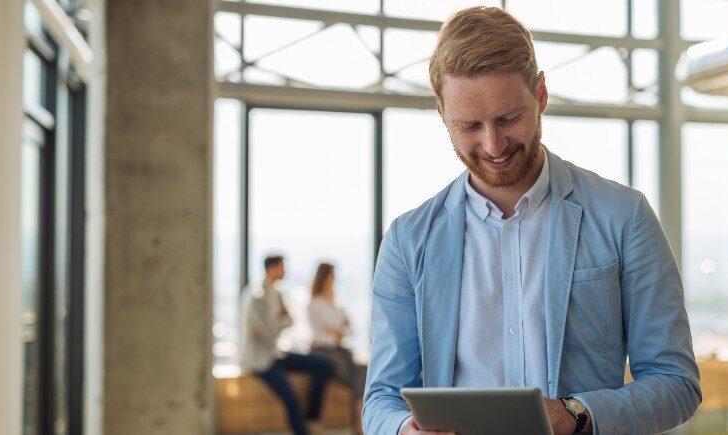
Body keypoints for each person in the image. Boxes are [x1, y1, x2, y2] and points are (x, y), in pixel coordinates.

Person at [362, 6, 701, 435]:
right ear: (442, 113)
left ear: (540, 95)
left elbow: (677, 383)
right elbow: (382, 399)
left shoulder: (623, 216)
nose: (493, 144)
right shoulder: (408, 241)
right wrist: (400, 430)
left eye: (509, 118)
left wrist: (579, 414)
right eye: (470, 125)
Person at [240, 255, 334, 435]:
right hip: (261, 361)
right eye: (283, 267)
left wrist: (276, 324)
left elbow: (287, 321)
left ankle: (312, 419)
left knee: (324, 365)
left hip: (276, 354)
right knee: (291, 398)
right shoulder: (255, 296)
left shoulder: (276, 293)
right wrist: (278, 323)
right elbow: (263, 332)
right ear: (273, 268)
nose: (285, 271)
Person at [307, 263, 368, 433]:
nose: (334, 280)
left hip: (340, 350)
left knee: (363, 370)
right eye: (331, 276)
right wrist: (335, 332)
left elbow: (347, 330)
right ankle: (358, 420)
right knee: (354, 376)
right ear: (324, 277)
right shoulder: (315, 303)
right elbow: (321, 335)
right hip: (324, 351)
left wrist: (336, 331)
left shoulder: (336, 303)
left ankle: (358, 419)